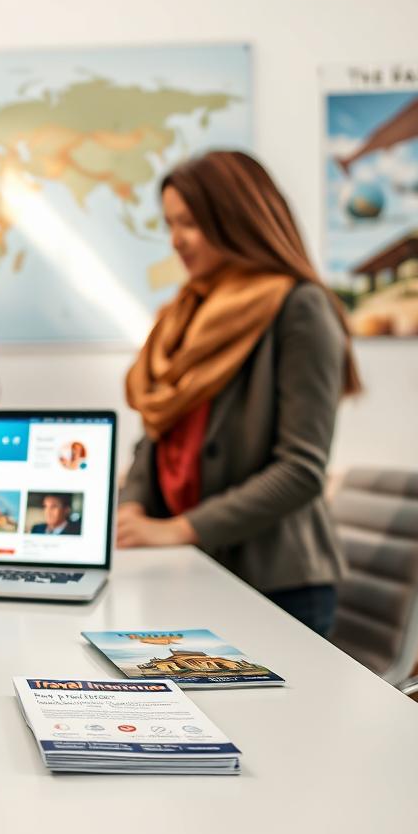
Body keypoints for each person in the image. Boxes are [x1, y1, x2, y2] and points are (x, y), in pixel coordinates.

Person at [118, 150, 362, 637]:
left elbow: (301, 469)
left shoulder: (300, 307)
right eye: (170, 223)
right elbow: (157, 436)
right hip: (192, 571)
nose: (176, 240)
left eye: (189, 222)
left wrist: (179, 529)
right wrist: (131, 509)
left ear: (236, 218)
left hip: (277, 587)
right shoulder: (184, 314)